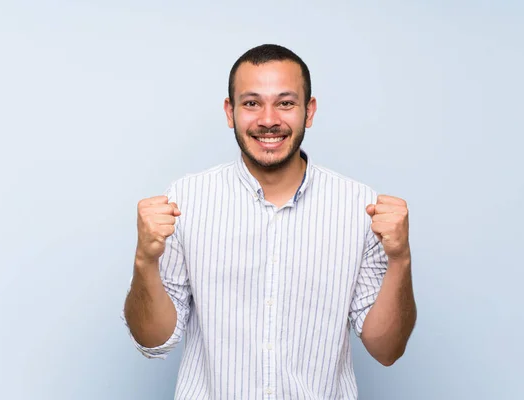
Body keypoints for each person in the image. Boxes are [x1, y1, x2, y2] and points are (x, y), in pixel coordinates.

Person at [122, 43, 417, 399]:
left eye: (285, 102)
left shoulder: (360, 207)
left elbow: (386, 351)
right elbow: (153, 341)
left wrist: (400, 259)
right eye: (251, 103)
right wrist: (144, 261)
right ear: (230, 112)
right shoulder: (186, 200)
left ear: (309, 111)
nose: (268, 120)